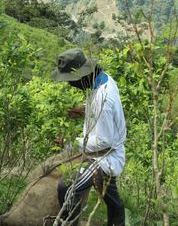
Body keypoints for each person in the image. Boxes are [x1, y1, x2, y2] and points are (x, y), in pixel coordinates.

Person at [51, 48, 126, 225]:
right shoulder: (103, 80)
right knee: (111, 196)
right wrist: (85, 108)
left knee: (67, 187)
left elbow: (103, 142)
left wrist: (69, 143)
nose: (71, 85)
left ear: (83, 76)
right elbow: (98, 106)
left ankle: (70, 222)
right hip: (106, 152)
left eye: (72, 81)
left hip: (104, 158)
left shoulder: (103, 99)